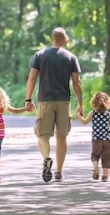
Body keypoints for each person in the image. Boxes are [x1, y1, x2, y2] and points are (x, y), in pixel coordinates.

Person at [25, 27, 83, 182]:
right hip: (64, 101)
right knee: (62, 137)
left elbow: (31, 79)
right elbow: (77, 83)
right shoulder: (71, 57)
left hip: (45, 100)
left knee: (42, 135)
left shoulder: (40, 55)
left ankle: (46, 158)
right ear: (65, 40)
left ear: (52, 38)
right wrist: (80, 104)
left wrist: (28, 99)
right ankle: (59, 172)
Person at [77, 91, 110, 182]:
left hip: (96, 139)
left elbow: (84, 122)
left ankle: (96, 167)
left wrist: (79, 116)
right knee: (106, 157)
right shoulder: (109, 114)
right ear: (108, 102)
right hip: (107, 140)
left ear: (94, 102)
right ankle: (105, 176)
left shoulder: (93, 113)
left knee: (95, 156)